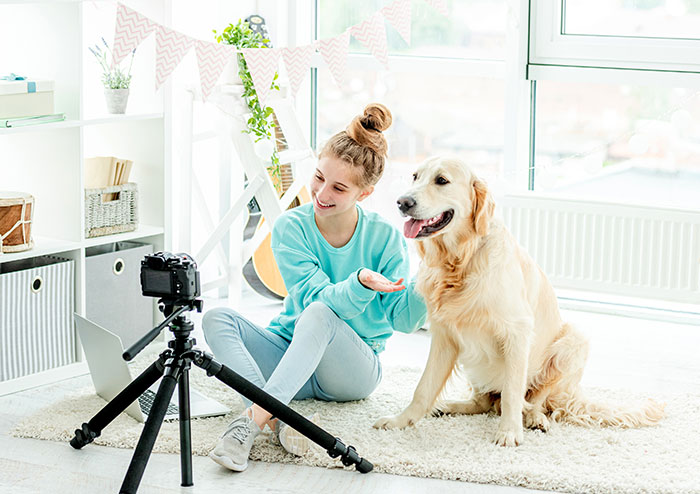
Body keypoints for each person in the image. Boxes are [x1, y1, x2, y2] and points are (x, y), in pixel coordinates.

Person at [202, 103, 427, 472]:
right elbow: (312, 297)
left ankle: (250, 423)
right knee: (217, 318)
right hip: (292, 355)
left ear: (364, 194)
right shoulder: (291, 227)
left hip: (352, 371)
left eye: (339, 187)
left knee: (321, 315)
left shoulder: (384, 237)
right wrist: (358, 283)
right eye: (319, 177)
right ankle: (278, 414)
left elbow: (402, 319)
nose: (322, 192)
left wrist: (431, 275)